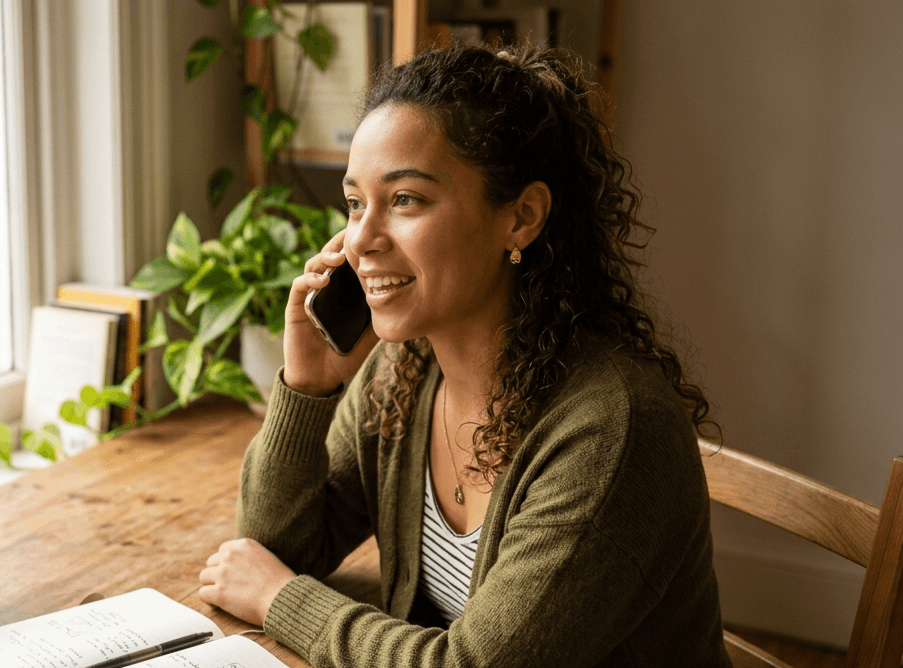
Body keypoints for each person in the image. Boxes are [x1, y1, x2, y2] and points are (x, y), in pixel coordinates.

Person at [197, 41, 732, 668]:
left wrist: (282, 600)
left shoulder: (612, 430)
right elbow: (272, 551)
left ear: (522, 217)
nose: (360, 240)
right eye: (355, 202)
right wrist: (307, 388)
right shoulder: (405, 369)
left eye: (405, 200)